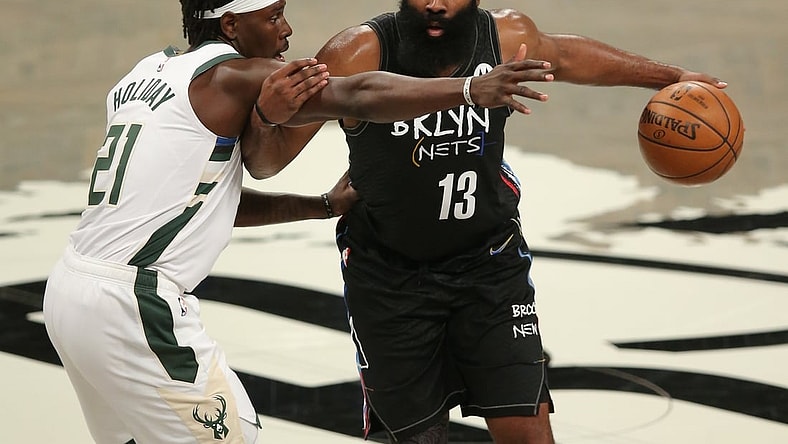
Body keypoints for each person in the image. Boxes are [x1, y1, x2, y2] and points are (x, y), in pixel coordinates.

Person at [40, 1, 555, 443]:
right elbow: (359, 95)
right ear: (231, 26)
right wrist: (469, 90)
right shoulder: (235, 76)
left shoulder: (142, 78)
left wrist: (320, 206)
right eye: (275, 15)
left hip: (68, 296)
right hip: (135, 303)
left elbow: (190, 204)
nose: (286, 30)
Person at [258, 1, 728, 443]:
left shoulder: (506, 36)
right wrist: (264, 116)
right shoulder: (357, 52)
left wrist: (670, 77)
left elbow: (564, 56)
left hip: (490, 267)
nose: (436, 5)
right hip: (389, 279)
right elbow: (266, 161)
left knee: (528, 430)